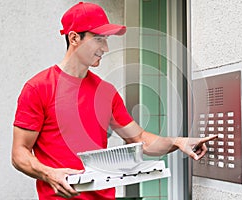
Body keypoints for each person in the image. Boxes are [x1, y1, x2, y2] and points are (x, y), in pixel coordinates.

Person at [11, 2, 217, 200]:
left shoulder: (105, 92)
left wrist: (179, 142)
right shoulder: (38, 88)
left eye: (106, 39)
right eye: (99, 39)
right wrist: (49, 174)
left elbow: (139, 140)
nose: (106, 48)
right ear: (74, 38)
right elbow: (19, 153)